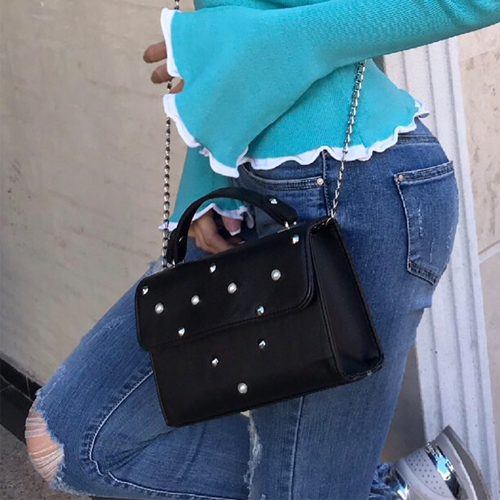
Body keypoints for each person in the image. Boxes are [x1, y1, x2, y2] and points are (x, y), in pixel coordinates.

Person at [25, 1, 499, 499]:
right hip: (250, 198)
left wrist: (268, 43)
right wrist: (207, 172)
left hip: (356, 191)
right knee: (71, 440)